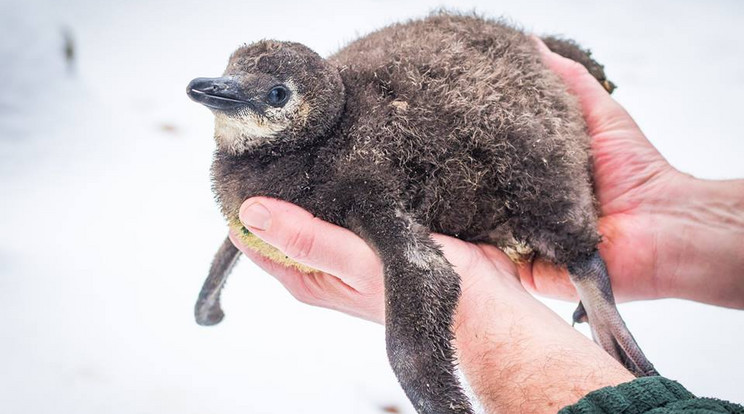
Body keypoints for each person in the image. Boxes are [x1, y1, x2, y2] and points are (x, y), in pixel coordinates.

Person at [228, 38, 744, 413]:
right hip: (493, 84)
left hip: (513, 140)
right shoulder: (288, 157)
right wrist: (684, 217)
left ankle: (588, 273)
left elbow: (418, 265)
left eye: (275, 97)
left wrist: (477, 314)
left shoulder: (350, 173)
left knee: (533, 180)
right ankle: (591, 278)